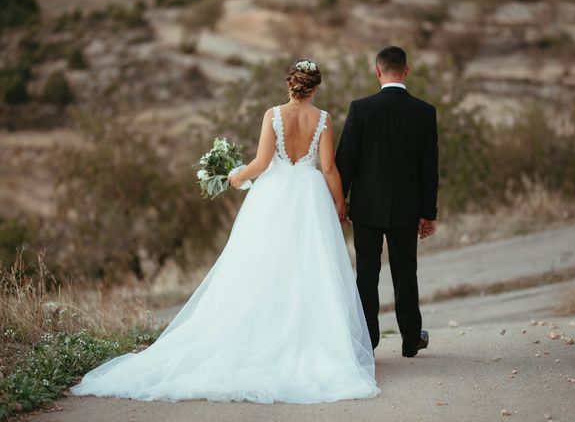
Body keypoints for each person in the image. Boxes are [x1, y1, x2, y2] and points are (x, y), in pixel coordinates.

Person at [69, 59, 379, 404]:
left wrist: (236, 176)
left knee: (261, 266)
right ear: (316, 88)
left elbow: (262, 164)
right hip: (310, 196)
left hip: (274, 196)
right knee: (311, 267)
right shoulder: (323, 119)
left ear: (290, 85)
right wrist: (339, 203)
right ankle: (309, 338)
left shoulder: (272, 115)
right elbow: (329, 167)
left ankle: (264, 333)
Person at [336, 45, 439, 358]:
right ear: (406, 71)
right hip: (407, 210)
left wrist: (342, 204)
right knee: (405, 271)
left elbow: (345, 164)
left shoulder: (361, 109)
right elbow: (429, 169)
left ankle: (369, 340)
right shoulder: (425, 112)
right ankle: (410, 339)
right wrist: (427, 213)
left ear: (377, 71)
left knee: (367, 272)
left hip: (366, 209)